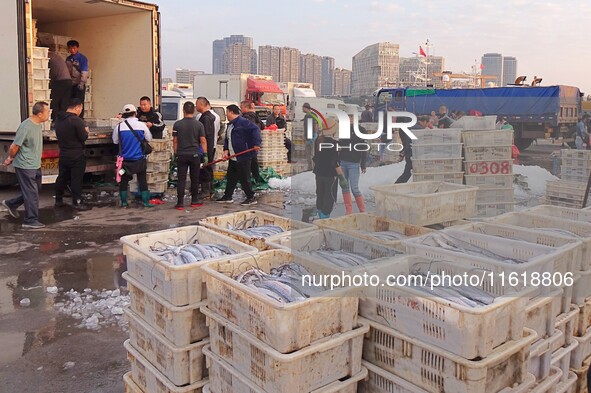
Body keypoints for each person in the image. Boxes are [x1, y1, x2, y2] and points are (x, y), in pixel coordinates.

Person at [2, 102, 51, 229]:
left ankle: (11, 203)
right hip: (25, 165)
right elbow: (14, 146)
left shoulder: (38, 125)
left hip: (35, 164)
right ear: (40, 114)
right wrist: (11, 158)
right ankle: (30, 220)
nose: (49, 113)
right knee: (31, 192)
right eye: (47, 111)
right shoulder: (26, 127)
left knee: (35, 189)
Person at [216, 104, 261, 205]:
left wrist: (256, 143)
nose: (226, 114)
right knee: (231, 177)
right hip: (233, 155)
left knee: (244, 177)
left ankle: (251, 197)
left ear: (231, 112)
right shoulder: (230, 124)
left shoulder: (243, 122)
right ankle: (228, 196)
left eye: (227, 112)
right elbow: (228, 139)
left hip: (243, 155)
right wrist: (226, 150)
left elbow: (255, 130)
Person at [112, 104, 154, 208]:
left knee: (124, 181)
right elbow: (148, 138)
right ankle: (146, 202)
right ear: (135, 113)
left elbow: (115, 141)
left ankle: (124, 203)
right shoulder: (141, 125)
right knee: (142, 180)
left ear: (124, 114)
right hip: (139, 160)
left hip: (125, 162)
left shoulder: (119, 127)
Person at [54, 98, 91, 211]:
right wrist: (86, 131)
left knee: (62, 177)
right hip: (76, 154)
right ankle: (77, 202)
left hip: (64, 153)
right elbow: (83, 137)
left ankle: (58, 200)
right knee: (76, 179)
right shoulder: (77, 121)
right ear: (77, 107)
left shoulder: (59, 120)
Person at [172, 101, 208, 210]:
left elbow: (175, 141)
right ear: (194, 110)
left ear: (183, 111)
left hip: (181, 154)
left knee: (181, 179)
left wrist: (175, 153)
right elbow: (203, 140)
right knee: (194, 178)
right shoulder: (199, 124)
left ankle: (180, 203)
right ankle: (194, 200)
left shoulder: (177, 124)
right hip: (195, 155)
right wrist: (205, 155)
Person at [313, 118, 347, 219]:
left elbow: (315, 157)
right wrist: (341, 177)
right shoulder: (334, 144)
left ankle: (320, 214)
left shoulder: (318, 140)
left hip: (319, 173)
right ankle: (325, 217)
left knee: (320, 193)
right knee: (329, 196)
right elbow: (335, 162)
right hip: (330, 175)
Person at [339, 111, 368, 214]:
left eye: (352, 117)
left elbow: (364, 148)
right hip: (343, 162)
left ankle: (362, 210)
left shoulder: (362, 130)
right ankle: (349, 211)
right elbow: (340, 146)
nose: (350, 119)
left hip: (354, 163)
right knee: (344, 187)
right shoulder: (343, 129)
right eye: (348, 117)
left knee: (355, 188)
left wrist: (363, 164)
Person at [395, 115, 431, 183]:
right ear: (425, 122)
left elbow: (405, 141)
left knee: (408, 173)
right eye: (427, 124)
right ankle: (394, 188)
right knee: (407, 174)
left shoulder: (411, 127)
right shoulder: (419, 130)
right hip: (413, 154)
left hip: (409, 153)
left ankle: (395, 187)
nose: (426, 127)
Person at [195, 97, 217, 199]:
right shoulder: (208, 117)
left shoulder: (206, 118)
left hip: (206, 148)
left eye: (197, 104)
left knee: (205, 169)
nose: (195, 106)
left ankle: (206, 191)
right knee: (207, 168)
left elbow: (205, 136)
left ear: (201, 105)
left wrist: (204, 150)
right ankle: (209, 190)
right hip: (209, 146)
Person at [240, 101, 264, 184]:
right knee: (254, 162)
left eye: (241, 107)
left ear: (246, 108)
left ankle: (247, 181)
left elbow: (253, 130)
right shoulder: (255, 116)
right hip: (254, 142)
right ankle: (256, 179)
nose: (240, 109)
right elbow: (262, 127)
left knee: (248, 163)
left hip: (248, 143)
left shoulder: (247, 118)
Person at [65, 40, 89, 118]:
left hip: (79, 83)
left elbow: (84, 72)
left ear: (77, 48)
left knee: (79, 102)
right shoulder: (68, 59)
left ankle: (80, 119)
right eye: (70, 48)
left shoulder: (82, 58)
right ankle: (71, 118)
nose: (72, 50)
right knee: (71, 102)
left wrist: (82, 83)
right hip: (71, 84)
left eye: (74, 48)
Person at [48, 51, 71, 121]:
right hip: (68, 81)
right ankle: (64, 120)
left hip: (60, 81)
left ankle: (55, 120)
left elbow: (53, 73)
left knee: (54, 101)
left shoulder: (49, 57)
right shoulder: (56, 56)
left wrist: (50, 83)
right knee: (64, 102)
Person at [303, 102, 319, 171]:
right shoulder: (306, 116)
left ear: (306, 108)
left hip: (312, 137)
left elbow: (316, 125)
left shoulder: (312, 115)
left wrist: (315, 135)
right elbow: (305, 127)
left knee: (313, 154)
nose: (302, 109)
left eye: (303, 108)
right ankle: (309, 168)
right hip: (307, 138)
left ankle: (314, 168)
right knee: (308, 154)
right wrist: (304, 135)